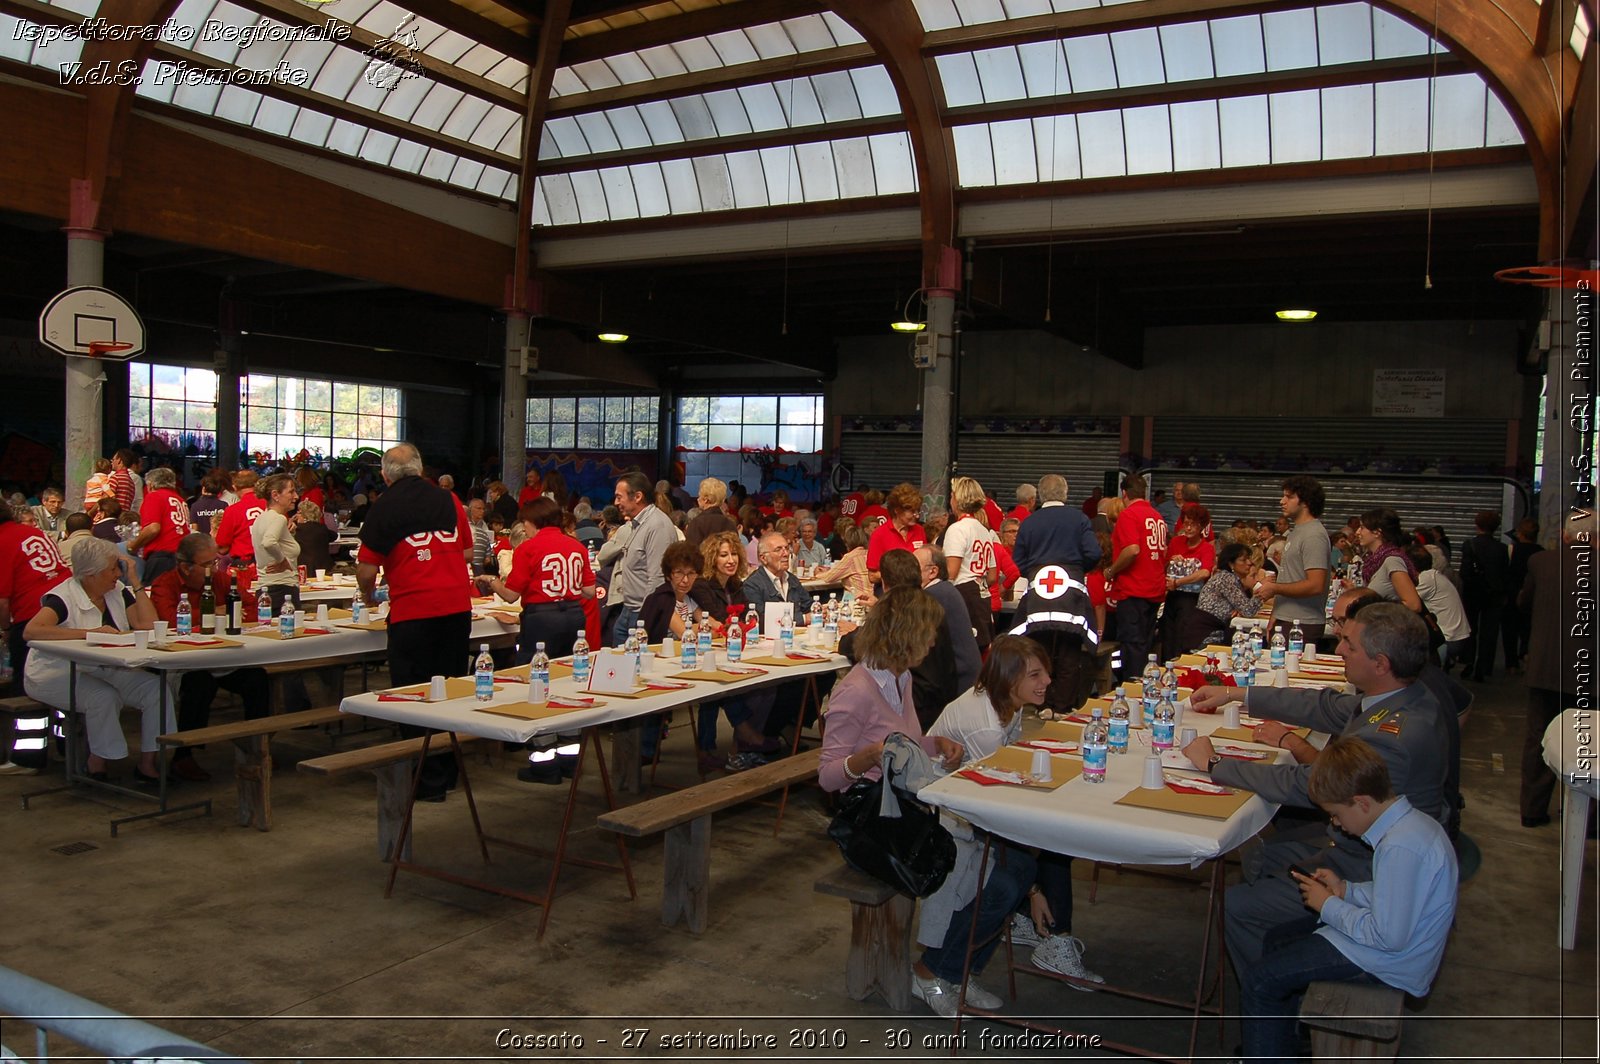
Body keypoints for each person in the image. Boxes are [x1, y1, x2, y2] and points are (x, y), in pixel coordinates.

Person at [1182, 602, 1449, 971]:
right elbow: (1322, 706)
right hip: (1359, 851)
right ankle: (1282, 946)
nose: (1339, 650)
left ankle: (1272, 994)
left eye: (1350, 645)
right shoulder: (1402, 699)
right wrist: (1237, 695)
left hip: (1365, 871)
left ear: (1381, 664)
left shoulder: (1395, 737)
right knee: (1257, 851)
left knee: (1237, 903)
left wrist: (1214, 765)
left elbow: (1303, 784)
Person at [817, 586, 1028, 1019]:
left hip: (906, 806)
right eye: (929, 633)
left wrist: (937, 742)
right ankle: (936, 970)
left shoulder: (900, 677)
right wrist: (871, 754)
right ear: (904, 635)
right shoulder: (855, 690)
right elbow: (828, 776)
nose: (934, 642)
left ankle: (948, 970)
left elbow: (909, 742)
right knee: (981, 870)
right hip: (873, 821)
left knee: (1000, 868)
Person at [1235, 737, 1457, 1064]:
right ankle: (1276, 1043)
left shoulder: (1399, 847)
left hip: (1389, 962)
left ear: (1362, 802)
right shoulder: (1410, 825)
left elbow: (1389, 937)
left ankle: (1267, 1050)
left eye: (1336, 815)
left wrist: (1328, 906)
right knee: (1276, 939)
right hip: (1391, 947)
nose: (1335, 824)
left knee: (1259, 981)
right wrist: (1346, 890)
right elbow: (1396, 894)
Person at [928, 635, 1104, 988]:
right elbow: (997, 812)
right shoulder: (985, 725)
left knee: (1054, 837)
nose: (1048, 682)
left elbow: (1008, 767)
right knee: (1047, 845)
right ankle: (1052, 933)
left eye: (1045, 674)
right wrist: (1034, 889)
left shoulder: (1005, 703)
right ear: (1010, 680)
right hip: (947, 815)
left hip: (973, 798)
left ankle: (1041, 924)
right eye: (1036, 676)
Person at [357, 443, 473, 803]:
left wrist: (369, 593)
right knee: (450, 689)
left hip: (414, 611)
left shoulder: (384, 507)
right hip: (456, 608)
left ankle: (426, 779)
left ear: (385, 474)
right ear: (421, 469)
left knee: (412, 694)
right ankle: (449, 771)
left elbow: (365, 568)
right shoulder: (448, 499)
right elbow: (468, 551)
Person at [23, 537, 170, 783]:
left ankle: (148, 763)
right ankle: (97, 762)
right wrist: (89, 634)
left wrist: (135, 581)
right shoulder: (62, 598)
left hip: (102, 668)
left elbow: (147, 625)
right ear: (91, 574)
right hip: (55, 674)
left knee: (156, 689)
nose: (117, 573)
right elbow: (32, 630)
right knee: (103, 696)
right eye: (112, 569)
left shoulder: (117, 591)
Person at [478, 496, 594, 785]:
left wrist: (490, 581)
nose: (524, 529)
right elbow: (590, 590)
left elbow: (511, 595)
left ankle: (543, 761)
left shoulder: (529, 548)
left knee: (538, 683)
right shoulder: (576, 546)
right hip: (574, 616)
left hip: (542, 618)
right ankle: (571, 757)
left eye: (525, 524)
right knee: (569, 681)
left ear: (533, 522)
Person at [148, 533, 269, 781]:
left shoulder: (220, 579)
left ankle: (258, 746)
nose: (213, 569)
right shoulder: (165, 584)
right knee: (199, 685)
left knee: (258, 679)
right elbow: (169, 621)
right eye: (207, 564)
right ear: (184, 566)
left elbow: (251, 606)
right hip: (184, 662)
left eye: (215, 562)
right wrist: (215, 612)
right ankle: (183, 756)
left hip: (222, 658)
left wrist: (215, 615)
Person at [1517, 510, 1593, 827]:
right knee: (1588, 742)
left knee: (1539, 738)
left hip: (1545, 666)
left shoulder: (1541, 563)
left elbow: (1523, 603)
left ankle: (1532, 811)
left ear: (1564, 535)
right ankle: (1587, 817)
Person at [1010, 472, 1102, 710]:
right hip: (1071, 597)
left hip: (1038, 598)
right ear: (1065, 493)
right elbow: (1094, 553)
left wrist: (1035, 572)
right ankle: (1062, 706)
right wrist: (1078, 569)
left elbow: (1017, 559)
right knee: (1069, 650)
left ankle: (1043, 704)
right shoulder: (1079, 519)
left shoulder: (1030, 522)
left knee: (1040, 651)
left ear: (1040, 496)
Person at [840, 549, 959, 730]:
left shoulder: (894, 608)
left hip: (913, 701)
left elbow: (855, 644)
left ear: (885, 583)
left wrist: (853, 632)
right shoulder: (930, 604)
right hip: (943, 699)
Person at [0, 501, 71, 773]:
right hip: (64, 608)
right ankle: (68, 749)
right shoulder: (34, 532)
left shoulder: (3, 541)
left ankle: (28, 758)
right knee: (63, 681)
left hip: (32, 617)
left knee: (28, 685)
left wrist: (5, 630)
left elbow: (3, 601)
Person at [1104, 473, 1166, 679]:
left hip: (1133, 589)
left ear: (1124, 493)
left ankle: (1131, 691)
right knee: (1145, 644)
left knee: (1132, 646)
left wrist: (1112, 570)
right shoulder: (1157, 517)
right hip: (1155, 588)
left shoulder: (1129, 515)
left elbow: (1132, 550)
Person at [1257, 475, 1331, 645]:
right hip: (1286, 618)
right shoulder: (1297, 532)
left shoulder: (1314, 535)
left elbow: (1315, 584)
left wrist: (1274, 588)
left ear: (1305, 502)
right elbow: (1289, 577)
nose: (1282, 501)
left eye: (1289, 497)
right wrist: (1276, 614)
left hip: (1303, 623)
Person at [610, 471, 677, 646]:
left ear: (638, 497)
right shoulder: (637, 523)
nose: (616, 502)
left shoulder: (657, 525)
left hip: (642, 613)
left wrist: (646, 617)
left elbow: (657, 577)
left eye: (619, 497)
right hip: (628, 609)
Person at [913, 545, 981, 693]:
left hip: (958, 679)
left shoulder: (933, 596)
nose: (909, 570)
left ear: (933, 571)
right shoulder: (945, 589)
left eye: (914, 565)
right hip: (965, 674)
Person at [941, 476, 997, 651]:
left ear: (957, 499)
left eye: (952, 495)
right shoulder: (984, 530)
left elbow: (951, 572)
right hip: (982, 595)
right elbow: (993, 575)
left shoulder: (957, 529)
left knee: (961, 650)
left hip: (962, 595)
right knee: (980, 649)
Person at [1181, 541, 1265, 653]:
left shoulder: (1231, 579)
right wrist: (1263, 590)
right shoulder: (1226, 578)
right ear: (1231, 564)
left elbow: (1243, 608)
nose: (1249, 563)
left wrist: (1238, 609)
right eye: (1243, 560)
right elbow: (1249, 610)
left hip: (1212, 631)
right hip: (1205, 635)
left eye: (1249, 558)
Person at [1457, 509, 1510, 682]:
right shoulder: (1502, 549)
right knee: (1490, 632)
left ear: (1477, 524)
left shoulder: (1469, 545)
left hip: (1473, 592)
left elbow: (1464, 572)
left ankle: (1468, 662)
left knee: (1470, 629)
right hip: (1494, 594)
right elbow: (1504, 573)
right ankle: (1483, 666)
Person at [1159, 502, 1214, 659]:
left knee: (1182, 637)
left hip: (1191, 599)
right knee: (1168, 637)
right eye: (1186, 524)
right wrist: (1172, 561)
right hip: (1171, 597)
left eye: (1193, 525)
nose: (1188, 528)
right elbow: (1165, 566)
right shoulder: (1176, 542)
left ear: (1202, 527)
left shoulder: (1206, 548)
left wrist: (1179, 581)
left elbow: (1204, 572)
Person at [1405, 543, 1470, 671]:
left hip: (1447, 638)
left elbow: (1406, 602)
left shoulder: (1426, 579)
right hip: (1455, 636)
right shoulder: (1433, 575)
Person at [250, 473, 302, 615]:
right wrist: (282, 560)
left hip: (264, 589)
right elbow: (268, 542)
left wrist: (288, 535)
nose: (296, 497)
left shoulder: (260, 519)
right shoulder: (279, 519)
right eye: (291, 491)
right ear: (275, 495)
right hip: (283, 589)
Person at [128, 466, 190, 585]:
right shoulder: (181, 500)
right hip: (182, 556)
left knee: (155, 596)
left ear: (150, 485)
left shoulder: (155, 496)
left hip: (163, 557)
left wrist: (133, 546)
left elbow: (153, 528)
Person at [1356, 508, 1421, 611]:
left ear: (1377, 532)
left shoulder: (1392, 560)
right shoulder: (1375, 560)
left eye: (1362, 527)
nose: (1357, 532)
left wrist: (1378, 609)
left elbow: (1413, 605)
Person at [741, 530, 812, 625]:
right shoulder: (752, 585)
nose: (786, 554)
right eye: (778, 550)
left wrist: (821, 610)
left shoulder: (791, 579)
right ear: (763, 558)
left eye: (787, 548)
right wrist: (803, 619)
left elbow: (808, 606)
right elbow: (762, 620)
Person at [639, 541, 703, 641]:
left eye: (691, 573)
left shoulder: (689, 597)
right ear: (669, 575)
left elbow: (713, 624)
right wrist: (706, 628)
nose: (685, 580)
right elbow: (684, 633)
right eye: (679, 573)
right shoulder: (662, 598)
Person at [865, 482, 926, 587]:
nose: (916, 516)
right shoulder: (879, 534)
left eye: (918, 511)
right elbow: (872, 576)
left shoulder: (919, 530)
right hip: (890, 592)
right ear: (897, 510)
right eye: (912, 512)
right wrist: (899, 575)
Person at [1502, 517, 1543, 673]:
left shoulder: (1512, 550)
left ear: (1521, 534)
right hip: (1533, 597)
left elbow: (1506, 573)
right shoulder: (1541, 552)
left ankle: (1511, 663)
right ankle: (1525, 653)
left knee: (1509, 630)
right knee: (1528, 629)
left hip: (1512, 595)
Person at [213, 470, 265, 568]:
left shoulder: (232, 511)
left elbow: (222, 544)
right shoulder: (271, 505)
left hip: (244, 565)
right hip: (272, 563)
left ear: (234, 487)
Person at [683, 476, 737, 553]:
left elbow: (691, 555)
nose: (698, 499)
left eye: (699, 496)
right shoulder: (730, 524)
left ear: (706, 500)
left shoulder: (696, 524)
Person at [293, 500, 334, 576]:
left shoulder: (297, 530)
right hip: (325, 567)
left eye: (298, 512)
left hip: (305, 569)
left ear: (303, 515)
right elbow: (334, 536)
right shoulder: (322, 528)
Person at [188, 469, 230, 537]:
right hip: (218, 541)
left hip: (202, 542)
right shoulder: (224, 505)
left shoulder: (195, 506)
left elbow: (194, 528)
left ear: (203, 489)